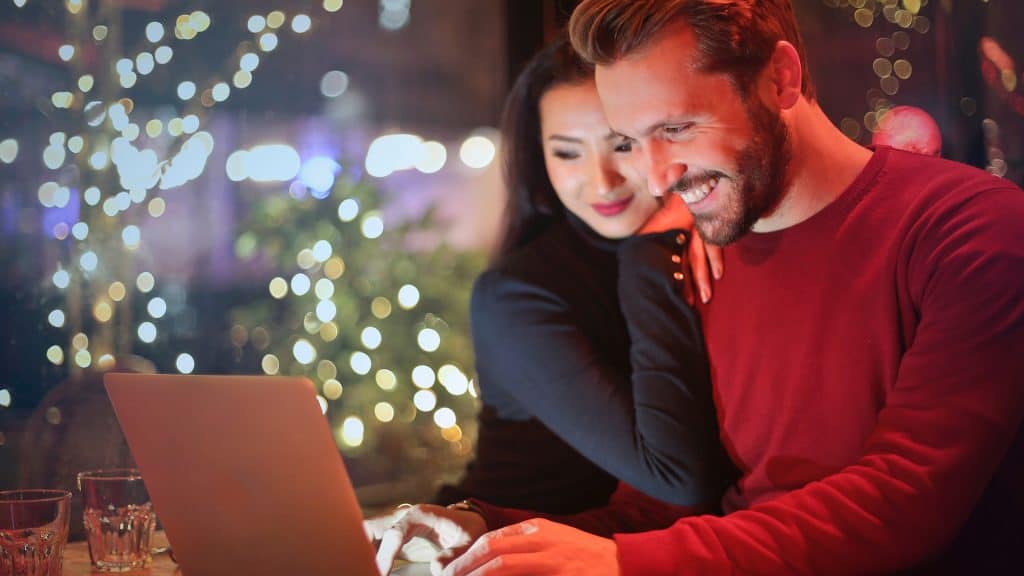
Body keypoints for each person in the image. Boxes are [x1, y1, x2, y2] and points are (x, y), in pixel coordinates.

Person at [374, 1, 1024, 575]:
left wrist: (624, 561)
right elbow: (661, 513)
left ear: (781, 79)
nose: (654, 178)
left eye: (676, 129)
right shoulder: (702, 252)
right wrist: (487, 535)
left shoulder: (970, 230)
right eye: (633, 140)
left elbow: (907, 499)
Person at [365, 35, 737, 574]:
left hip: (603, 553)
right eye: (566, 152)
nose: (600, 180)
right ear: (539, 160)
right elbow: (679, 478)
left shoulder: (704, 245)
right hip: (488, 554)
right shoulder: (519, 295)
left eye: (621, 145)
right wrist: (651, 250)